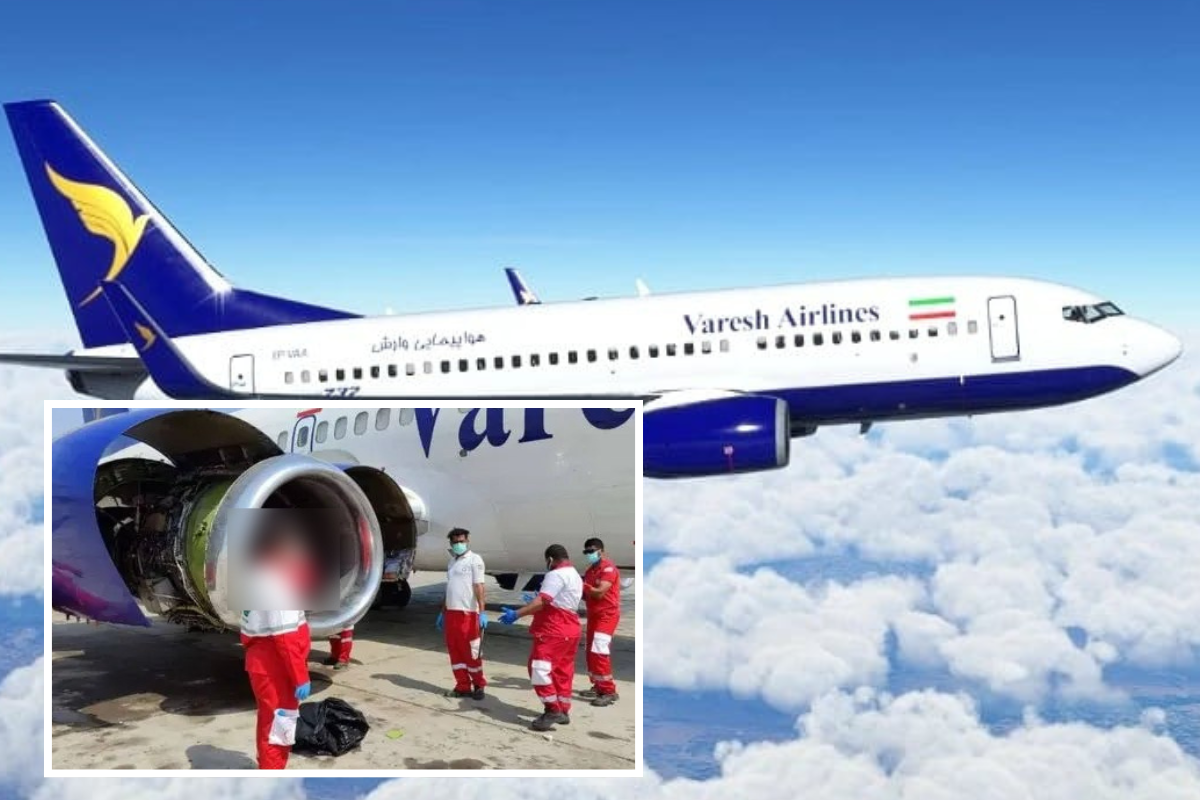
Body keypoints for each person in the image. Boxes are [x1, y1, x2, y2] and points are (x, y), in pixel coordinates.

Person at [240, 530, 314, 770]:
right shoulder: (278, 582)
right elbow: (286, 637)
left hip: (261, 660)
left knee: (268, 722)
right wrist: (300, 676)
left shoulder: (258, 575)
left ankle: (267, 768)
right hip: (276, 666)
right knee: (279, 728)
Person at [499, 544, 583, 731]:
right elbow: (556, 600)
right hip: (570, 629)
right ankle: (563, 709)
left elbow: (543, 601)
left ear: (550, 560)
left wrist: (517, 614)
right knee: (562, 671)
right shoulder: (574, 574)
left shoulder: (555, 575)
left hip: (554, 629)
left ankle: (552, 709)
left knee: (539, 669)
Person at [436, 527, 488, 699]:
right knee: (455, 651)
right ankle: (462, 685)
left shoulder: (475, 560)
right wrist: (443, 611)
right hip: (452, 614)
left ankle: (479, 685)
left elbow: (479, 586)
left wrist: (482, 611)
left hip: (469, 614)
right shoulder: (452, 562)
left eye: (462, 541)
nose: (459, 544)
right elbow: (449, 588)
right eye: (456, 542)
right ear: (451, 543)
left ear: (467, 541)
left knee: (471, 652)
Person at [580, 537, 621, 706]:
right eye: (586, 552)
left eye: (592, 551)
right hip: (594, 615)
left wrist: (582, 586)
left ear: (601, 551)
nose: (589, 554)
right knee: (590, 650)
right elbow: (586, 595)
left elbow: (599, 593)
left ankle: (609, 691)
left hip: (607, 616)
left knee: (599, 650)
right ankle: (598, 685)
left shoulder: (608, 569)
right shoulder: (590, 571)